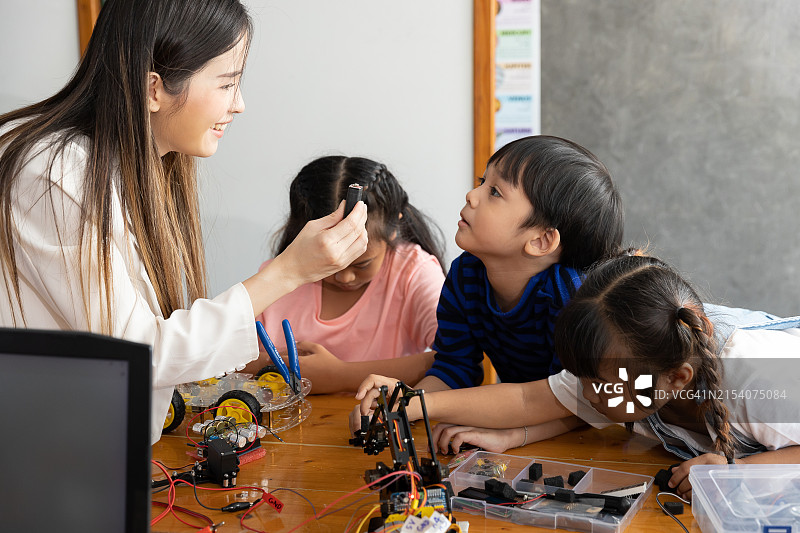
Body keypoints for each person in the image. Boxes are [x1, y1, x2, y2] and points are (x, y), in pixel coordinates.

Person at [0, 0, 367, 444]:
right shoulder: (54, 173)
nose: (240, 105)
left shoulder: (136, 167)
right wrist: (289, 272)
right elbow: (135, 353)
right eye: (227, 84)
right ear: (153, 89)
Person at [369, 254, 800, 501]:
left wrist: (736, 470)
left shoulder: (758, 376)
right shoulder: (633, 361)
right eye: (583, 377)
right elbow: (528, 400)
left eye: (597, 382)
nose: (587, 393)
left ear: (676, 379)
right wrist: (416, 402)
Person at [351, 135, 625, 435]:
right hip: (518, 416)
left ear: (541, 240)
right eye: (483, 180)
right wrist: (401, 406)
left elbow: (581, 399)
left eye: (494, 191)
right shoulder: (465, 275)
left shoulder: (573, 297)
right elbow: (454, 369)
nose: (471, 195)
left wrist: (513, 435)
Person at [248, 155, 446, 393]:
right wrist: (269, 363)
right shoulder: (278, 277)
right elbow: (223, 359)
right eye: (328, 263)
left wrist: (338, 375)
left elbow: (452, 361)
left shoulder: (413, 272)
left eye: (362, 264)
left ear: (394, 228)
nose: (344, 277)